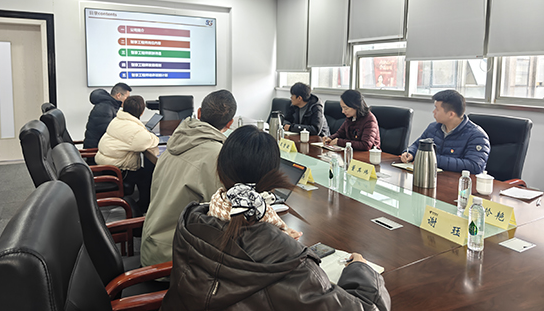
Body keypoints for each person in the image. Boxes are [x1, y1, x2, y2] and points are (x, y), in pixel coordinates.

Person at [160, 125, 391, 311]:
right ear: (274, 177)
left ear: (220, 170)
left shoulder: (193, 218)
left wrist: (276, 239)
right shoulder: (285, 259)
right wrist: (361, 269)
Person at [141, 89, 237, 268]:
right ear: (230, 123)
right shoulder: (217, 156)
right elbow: (222, 215)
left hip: (152, 245)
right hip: (176, 260)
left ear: (199, 113)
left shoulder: (175, 141)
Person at [95, 95, 159, 212]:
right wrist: (155, 138)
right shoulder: (133, 128)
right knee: (147, 175)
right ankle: (144, 207)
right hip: (118, 171)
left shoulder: (118, 120)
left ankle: (144, 204)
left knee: (145, 171)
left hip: (106, 164)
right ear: (142, 111)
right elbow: (146, 142)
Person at [401, 89, 490, 173]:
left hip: (456, 182)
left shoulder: (477, 135)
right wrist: (410, 153)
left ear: (451, 114)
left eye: (437, 109)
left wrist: (433, 159)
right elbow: (417, 145)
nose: (433, 112)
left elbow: (475, 166)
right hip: (432, 176)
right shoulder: (433, 128)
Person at [83, 82, 132, 149]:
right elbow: (109, 132)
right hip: (96, 151)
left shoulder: (110, 106)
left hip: (103, 147)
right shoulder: (105, 108)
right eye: (127, 97)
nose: (128, 100)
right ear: (118, 95)